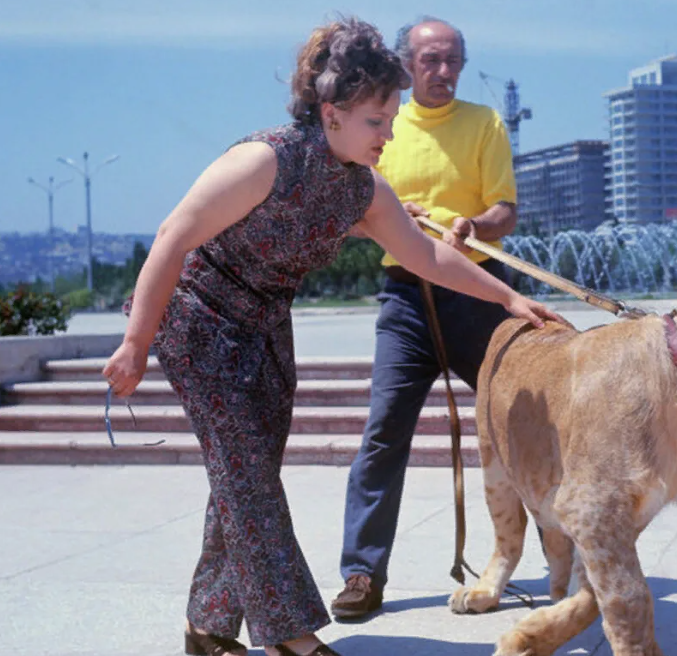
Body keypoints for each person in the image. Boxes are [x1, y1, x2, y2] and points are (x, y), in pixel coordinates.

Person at [101, 17, 559, 656]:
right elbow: (174, 236)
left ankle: (207, 628)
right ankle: (291, 635)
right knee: (249, 482)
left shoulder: (362, 191)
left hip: (264, 330)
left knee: (244, 477)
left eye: (392, 119)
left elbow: (427, 259)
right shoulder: (266, 159)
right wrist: (135, 342)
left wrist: (508, 295)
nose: (389, 134)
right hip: (199, 322)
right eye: (377, 121)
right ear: (331, 112)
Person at [332, 16, 523, 619]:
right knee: (384, 431)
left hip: (477, 292)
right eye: (430, 61)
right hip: (406, 298)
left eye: (453, 61)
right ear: (404, 65)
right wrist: (390, 216)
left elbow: (505, 209)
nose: (443, 73)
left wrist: (475, 226)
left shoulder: (484, 122)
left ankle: (564, 556)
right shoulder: (383, 123)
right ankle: (362, 572)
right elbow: (356, 202)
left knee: (522, 424)